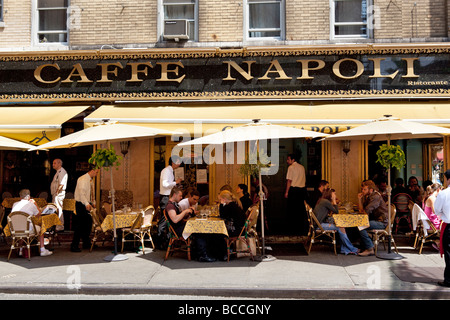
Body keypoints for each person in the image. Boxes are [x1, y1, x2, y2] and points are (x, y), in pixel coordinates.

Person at [166, 187, 214, 262]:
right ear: (174, 195)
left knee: (200, 228)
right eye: (180, 196)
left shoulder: (173, 205)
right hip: (177, 230)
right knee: (199, 230)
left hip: (180, 227)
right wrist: (185, 211)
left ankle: (200, 253)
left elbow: (180, 218)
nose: (181, 198)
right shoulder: (170, 206)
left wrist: (189, 212)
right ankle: (202, 255)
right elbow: (175, 220)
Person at [313, 188, 359, 255]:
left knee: (341, 227)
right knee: (341, 227)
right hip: (319, 225)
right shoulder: (326, 202)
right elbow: (336, 211)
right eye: (334, 194)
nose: (335, 195)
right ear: (330, 194)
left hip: (319, 223)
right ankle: (352, 249)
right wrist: (334, 201)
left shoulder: (323, 200)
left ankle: (345, 249)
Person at [12, 189, 53, 257]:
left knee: (22, 228)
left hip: (14, 229)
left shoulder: (14, 204)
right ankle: (42, 250)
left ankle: (21, 249)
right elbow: (39, 214)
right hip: (27, 229)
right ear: (29, 197)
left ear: (20, 197)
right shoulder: (31, 204)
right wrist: (35, 204)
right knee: (40, 229)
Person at [357, 180, 388, 257]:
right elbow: (362, 210)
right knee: (358, 225)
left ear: (370, 190)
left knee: (361, 226)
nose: (362, 191)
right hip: (376, 221)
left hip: (381, 222)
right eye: (362, 189)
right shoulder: (369, 197)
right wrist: (359, 199)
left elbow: (367, 210)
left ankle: (370, 249)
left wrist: (362, 214)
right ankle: (364, 246)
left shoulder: (376, 197)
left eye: (364, 189)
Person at [70, 167, 99, 252]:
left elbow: (90, 193)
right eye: (96, 172)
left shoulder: (91, 180)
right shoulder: (83, 179)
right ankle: (74, 245)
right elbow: (82, 194)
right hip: (81, 204)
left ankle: (86, 243)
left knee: (88, 224)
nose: (97, 174)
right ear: (92, 171)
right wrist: (86, 204)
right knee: (79, 225)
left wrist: (92, 202)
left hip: (87, 203)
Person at [434, 169, 450, 287]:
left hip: (449, 227)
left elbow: (437, 210)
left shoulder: (444, 193)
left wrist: (443, 215)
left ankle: (449, 280)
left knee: (449, 254)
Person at [284, 153, 308, 235]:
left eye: (288, 159)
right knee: (300, 210)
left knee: (292, 210)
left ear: (293, 160)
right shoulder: (302, 167)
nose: (287, 161)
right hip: (302, 190)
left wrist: (287, 192)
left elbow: (289, 181)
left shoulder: (291, 167)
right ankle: (300, 229)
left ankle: (292, 229)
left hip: (294, 190)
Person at [423, 183, 442, 251]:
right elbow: (435, 211)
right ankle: (439, 243)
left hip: (430, 222)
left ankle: (439, 242)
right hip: (431, 224)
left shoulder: (429, 197)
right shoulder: (432, 198)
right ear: (438, 190)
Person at [50, 158, 67, 231]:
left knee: (59, 210)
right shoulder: (57, 172)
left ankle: (60, 226)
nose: (53, 165)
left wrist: (57, 193)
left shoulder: (62, 172)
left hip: (58, 194)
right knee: (55, 210)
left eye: (55, 163)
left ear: (59, 164)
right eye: (53, 163)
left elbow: (61, 184)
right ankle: (56, 225)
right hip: (55, 194)